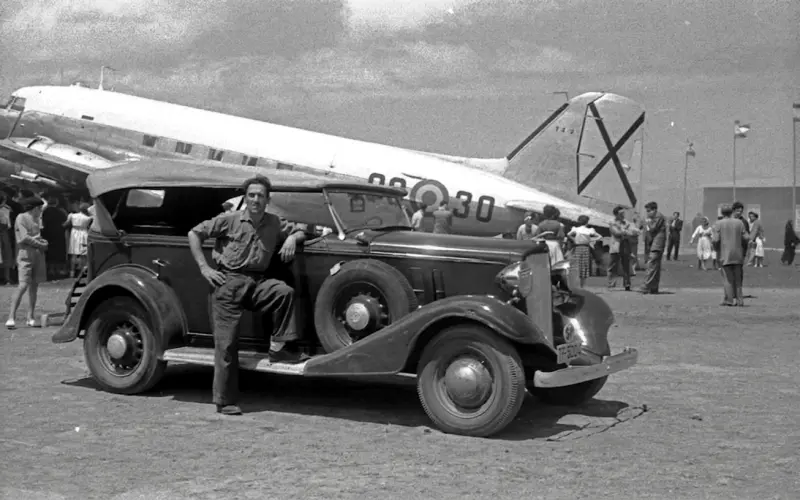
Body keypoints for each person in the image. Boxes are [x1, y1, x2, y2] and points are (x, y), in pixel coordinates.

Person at [188, 175, 309, 416]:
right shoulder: (229, 220)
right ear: (245, 197)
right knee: (226, 345)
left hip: (256, 282)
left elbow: (301, 231)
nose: (255, 199)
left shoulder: (274, 222)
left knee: (283, 292)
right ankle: (225, 401)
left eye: (260, 196)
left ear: (267, 200)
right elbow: (194, 233)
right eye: (251, 195)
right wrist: (204, 268)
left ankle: (279, 348)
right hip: (228, 283)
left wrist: (292, 238)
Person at [5, 197, 48, 329]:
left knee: (34, 286)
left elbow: (37, 236)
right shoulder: (21, 218)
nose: (41, 211)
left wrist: (42, 242)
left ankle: (30, 317)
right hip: (25, 255)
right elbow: (23, 238)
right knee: (23, 285)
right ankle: (11, 317)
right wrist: (40, 244)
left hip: (37, 255)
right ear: (35, 208)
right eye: (40, 209)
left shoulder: (37, 219)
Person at [712, 204, 749, 307]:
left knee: (727, 278)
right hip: (738, 254)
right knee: (738, 279)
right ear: (731, 212)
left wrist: (716, 248)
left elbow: (715, 240)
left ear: (722, 213)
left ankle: (729, 300)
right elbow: (746, 237)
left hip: (725, 254)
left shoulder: (718, 223)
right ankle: (740, 300)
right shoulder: (739, 222)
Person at [607, 206, 638, 290]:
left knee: (626, 265)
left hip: (625, 245)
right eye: (621, 213)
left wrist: (626, 231)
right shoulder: (612, 222)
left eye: (623, 213)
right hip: (616, 246)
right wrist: (626, 231)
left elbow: (633, 232)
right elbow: (616, 233)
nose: (623, 215)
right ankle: (611, 284)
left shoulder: (626, 222)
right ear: (616, 214)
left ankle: (627, 284)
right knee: (613, 266)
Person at [567, 215, 602, 288]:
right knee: (584, 266)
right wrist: (590, 240)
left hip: (577, 248)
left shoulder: (576, 229)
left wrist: (574, 239)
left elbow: (568, 234)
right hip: (586, 248)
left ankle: (577, 285)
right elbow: (599, 236)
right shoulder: (589, 230)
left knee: (577, 265)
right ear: (587, 222)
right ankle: (582, 285)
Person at [639, 201, 666, 294]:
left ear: (654, 210)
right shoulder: (650, 218)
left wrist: (647, 222)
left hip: (657, 244)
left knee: (651, 264)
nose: (647, 213)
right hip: (652, 243)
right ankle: (654, 287)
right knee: (655, 266)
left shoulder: (659, 216)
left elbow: (653, 228)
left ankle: (645, 286)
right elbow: (640, 226)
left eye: (649, 211)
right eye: (646, 211)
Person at [41, 195, 68, 279]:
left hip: (47, 233)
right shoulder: (60, 211)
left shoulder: (45, 212)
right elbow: (65, 221)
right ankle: (58, 270)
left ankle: (50, 270)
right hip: (58, 233)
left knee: (49, 252)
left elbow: (43, 222)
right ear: (56, 203)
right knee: (58, 251)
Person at [64, 203, 93, 278]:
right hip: (84, 233)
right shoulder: (88, 218)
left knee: (74, 254)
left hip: (74, 233)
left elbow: (65, 224)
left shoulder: (72, 215)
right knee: (83, 254)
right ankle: (81, 272)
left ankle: (72, 272)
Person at [0, 192, 13, 284]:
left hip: (3, 233)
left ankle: (6, 277)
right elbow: (7, 224)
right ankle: (6, 277)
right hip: (3, 234)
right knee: (6, 255)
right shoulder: (5, 209)